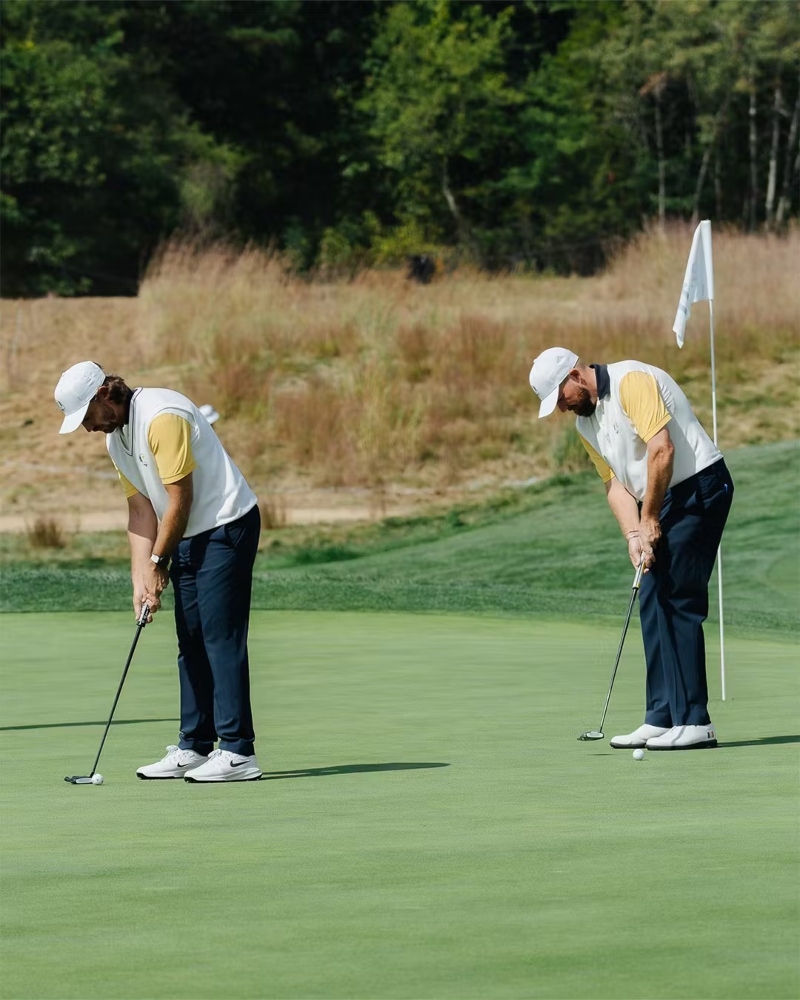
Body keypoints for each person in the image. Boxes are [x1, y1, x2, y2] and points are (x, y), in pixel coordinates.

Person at [54, 361, 262, 781]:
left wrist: (158, 562)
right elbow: (140, 511)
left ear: (104, 397)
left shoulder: (162, 416)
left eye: (88, 417)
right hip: (183, 532)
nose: (87, 428)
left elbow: (178, 496)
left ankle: (238, 752)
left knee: (220, 635)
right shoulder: (116, 441)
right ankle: (196, 745)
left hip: (225, 524)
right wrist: (140, 580)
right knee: (190, 638)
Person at [529, 347, 734, 750]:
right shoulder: (586, 426)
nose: (561, 409)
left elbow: (663, 449)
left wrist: (650, 517)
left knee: (677, 594)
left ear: (575, 375)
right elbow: (615, 485)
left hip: (700, 487)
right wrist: (633, 535)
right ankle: (661, 716)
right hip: (663, 497)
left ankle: (695, 721)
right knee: (651, 598)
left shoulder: (631, 381)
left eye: (560, 398)